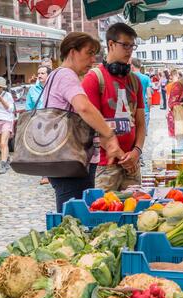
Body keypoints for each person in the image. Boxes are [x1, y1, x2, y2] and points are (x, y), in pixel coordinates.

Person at [43, 32, 124, 212]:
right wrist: (109, 135)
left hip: (61, 159)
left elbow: (77, 118)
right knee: (73, 217)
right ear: (73, 52)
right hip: (70, 161)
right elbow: (84, 107)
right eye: (89, 53)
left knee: (71, 213)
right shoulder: (66, 75)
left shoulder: (54, 75)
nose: (92, 59)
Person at [82, 23, 145, 193]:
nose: (130, 50)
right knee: (106, 214)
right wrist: (122, 156)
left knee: (135, 214)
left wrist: (137, 152)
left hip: (132, 163)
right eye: (125, 45)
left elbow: (140, 122)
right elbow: (90, 126)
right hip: (105, 164)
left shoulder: (135, 81)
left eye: (132, 45)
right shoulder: (94, 78)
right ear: (111, 44)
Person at [25, 65, 52, 185]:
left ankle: (55, 173)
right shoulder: (32, 90)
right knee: (42, 150)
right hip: (38, 124)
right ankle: (45, 175)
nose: (40, 75)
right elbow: (29, 108)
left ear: (48, 75)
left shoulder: (53, 88)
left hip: (53, 122)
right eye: (38, 73)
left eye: (42, 73)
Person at [130, 58, 152, 135]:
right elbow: (149, 96)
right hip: (144, 108)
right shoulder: (146, 78)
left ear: (132, 66)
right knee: (143, 133)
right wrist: (149, 108)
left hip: (132, 110)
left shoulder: (128, 77)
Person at [167, 69, 183, 143]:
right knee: (180, 139)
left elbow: (169, 99)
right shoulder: (177, 85)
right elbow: (170, 101)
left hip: (179, 115)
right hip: (179, 116)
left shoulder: (174, 84)